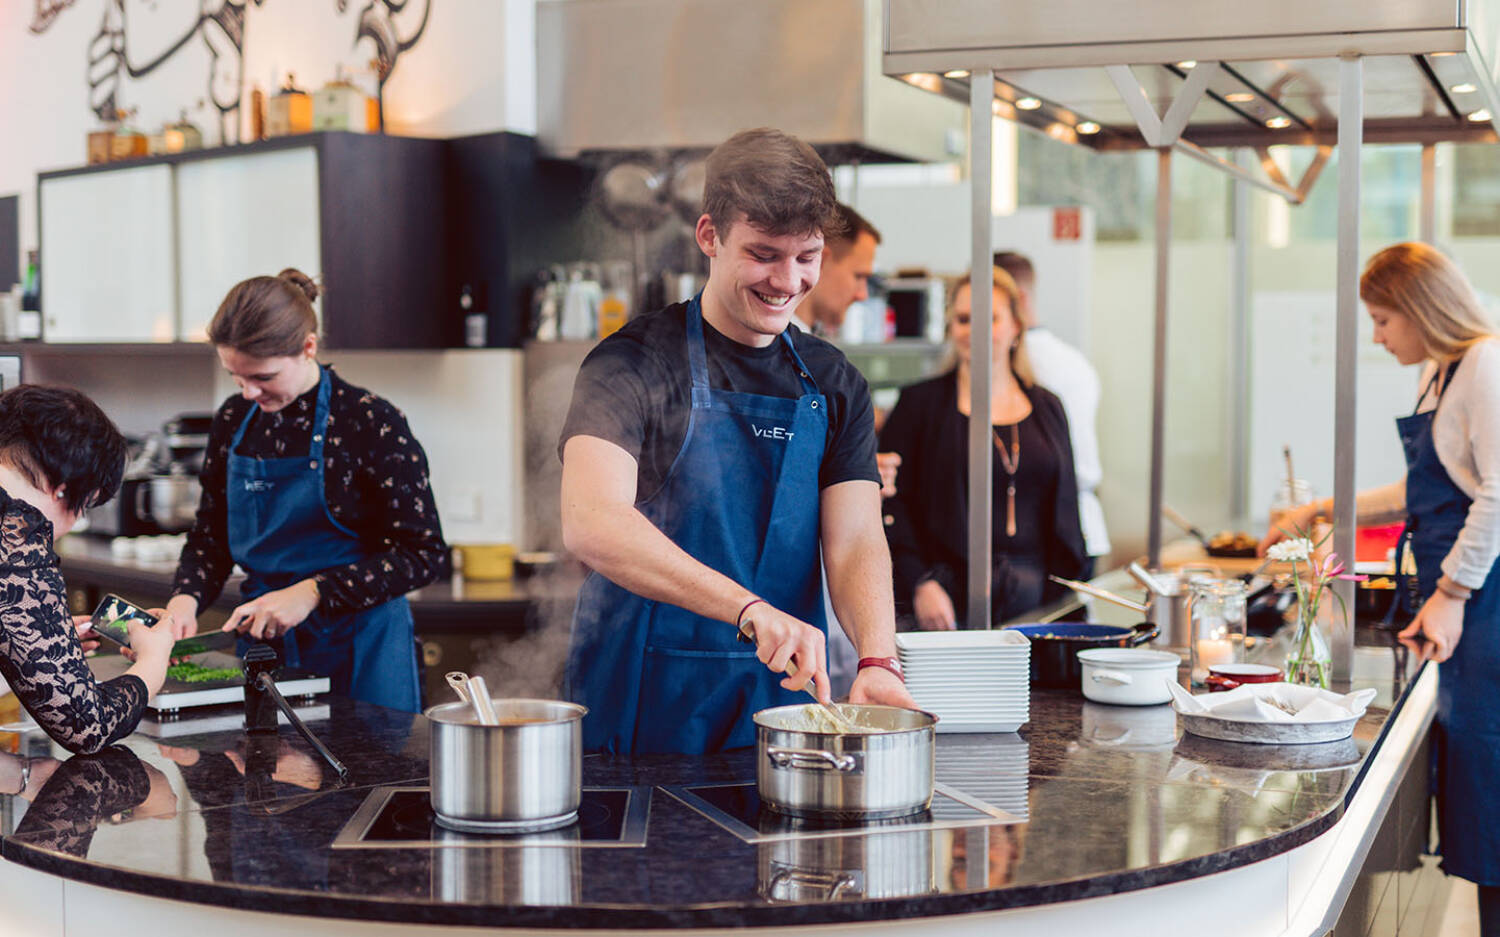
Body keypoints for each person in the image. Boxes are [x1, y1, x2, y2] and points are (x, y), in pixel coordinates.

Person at [559, 127, 915, 754]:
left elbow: (857, 537)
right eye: (764, 254)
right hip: (641, 709)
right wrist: (749, 609)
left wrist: (877, 660)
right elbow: (592, 521)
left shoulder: (834, 382)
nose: (787, 281)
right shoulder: (631, 362)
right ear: (710, 237)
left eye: (807, 257)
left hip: (781, 709)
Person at [1260, 243, 1500, 934]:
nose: (1377, 335)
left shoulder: (1483, 363)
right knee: (1483, 792)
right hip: (1471, 613)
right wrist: (1325, 509)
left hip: (1488, 612)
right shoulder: (1441, 372)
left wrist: (1450, 594)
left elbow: (1495, 493)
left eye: (1383, 318)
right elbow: (1424, 487)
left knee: (1493, 787)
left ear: (1423, 310)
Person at [160, 269, 449, 713]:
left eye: (263, 377)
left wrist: (313, 591)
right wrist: (185, 599)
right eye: (237, 378)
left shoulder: (369, 421)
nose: (250, 392)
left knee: (370, 778)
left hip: (363, 650)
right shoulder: (235, 419)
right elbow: (211, 533)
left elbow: (424, 554)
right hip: (266, 648)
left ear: (308, 347)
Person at [880, 268, 1088, 629]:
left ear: (1016, 327)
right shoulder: (919, 404)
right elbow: (892, 504)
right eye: (963, 319)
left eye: (989, 318)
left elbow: (1067, 513)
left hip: (1038, 604)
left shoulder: (1047, 407)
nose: (974, 330)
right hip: (945, 604)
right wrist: (920, 581)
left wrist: (1071, 599)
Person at [0, 385, 174, 752]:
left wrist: (32, 650)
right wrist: (153, 662)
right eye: (86, 505)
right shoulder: (17, 534)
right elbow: (85, 726)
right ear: (61, 489)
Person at [797, 202, 898, 696]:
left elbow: (855, 533)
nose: (862, 292)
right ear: (823, 256)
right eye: (859, 275)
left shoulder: (830, 371)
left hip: (819, 614)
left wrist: (853, 475)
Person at [993, 251, 1110, 575]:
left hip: (1053, 531)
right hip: (1084, 527)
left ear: (1018, 300)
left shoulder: (1032, 372)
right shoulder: (1076, 362)